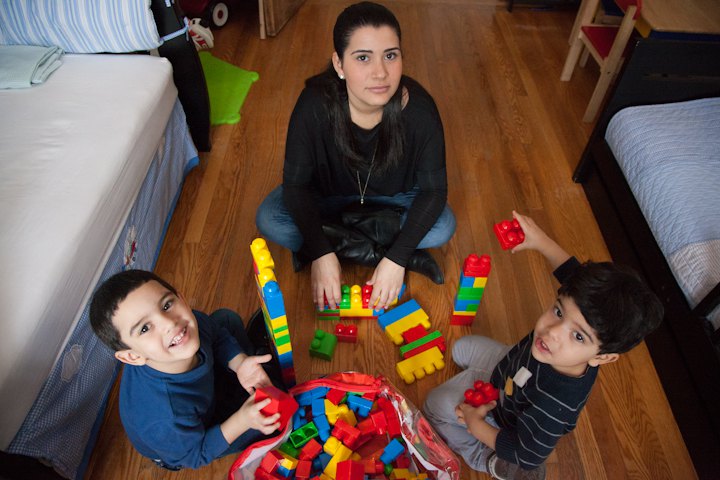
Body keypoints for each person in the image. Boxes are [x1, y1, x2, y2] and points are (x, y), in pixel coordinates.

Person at [423, 211, 663, 480]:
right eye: (559, 312)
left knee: (434, 405)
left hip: (505, 413)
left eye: (578, 336)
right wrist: (541, 241)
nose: (552, 332)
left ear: (603, 357)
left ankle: (486, 459)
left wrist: (476, 424)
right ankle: (489, 377)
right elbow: (572, 276)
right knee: (461, 348)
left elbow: (527, 454)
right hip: (511, 365)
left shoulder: (553, 404)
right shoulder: (570, 336)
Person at [256, 1, 456, 312]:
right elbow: (295, 187)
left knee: (443, 226)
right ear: (339, 64)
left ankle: (340, 240)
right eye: (363, 57)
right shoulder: (312, 107)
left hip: (394, 199)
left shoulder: (420, 112)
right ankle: (373, 248)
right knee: (270, 218)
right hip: (330, 197)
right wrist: (322, 254)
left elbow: (434, 191)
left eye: (391, 55)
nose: (380, 72)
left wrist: (396, 259)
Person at [89, 269, 281, 470]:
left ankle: (248, 368)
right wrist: (242, 420)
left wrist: (240, 362)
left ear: (181, 298)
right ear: (132, 356)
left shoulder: (185, 326)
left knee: (225, 318)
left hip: (202, 387)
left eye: (166, 305)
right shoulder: (164, 417)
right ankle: (248, 379)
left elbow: (217, 335)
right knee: (268, 423)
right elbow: (195, 455)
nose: (169, 323)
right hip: (190, 437)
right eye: (145, 328)